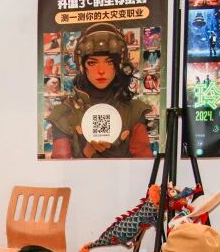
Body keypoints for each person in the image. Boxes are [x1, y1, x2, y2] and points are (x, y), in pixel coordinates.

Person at [48, 22, 152, 159]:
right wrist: (86, 153)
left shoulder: (133, 111)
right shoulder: (65, 113)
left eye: (109, 62)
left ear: (119, 65)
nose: (101, 71)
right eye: (92, 63)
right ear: (81, 66)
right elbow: (59, 166)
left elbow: (144, 162)